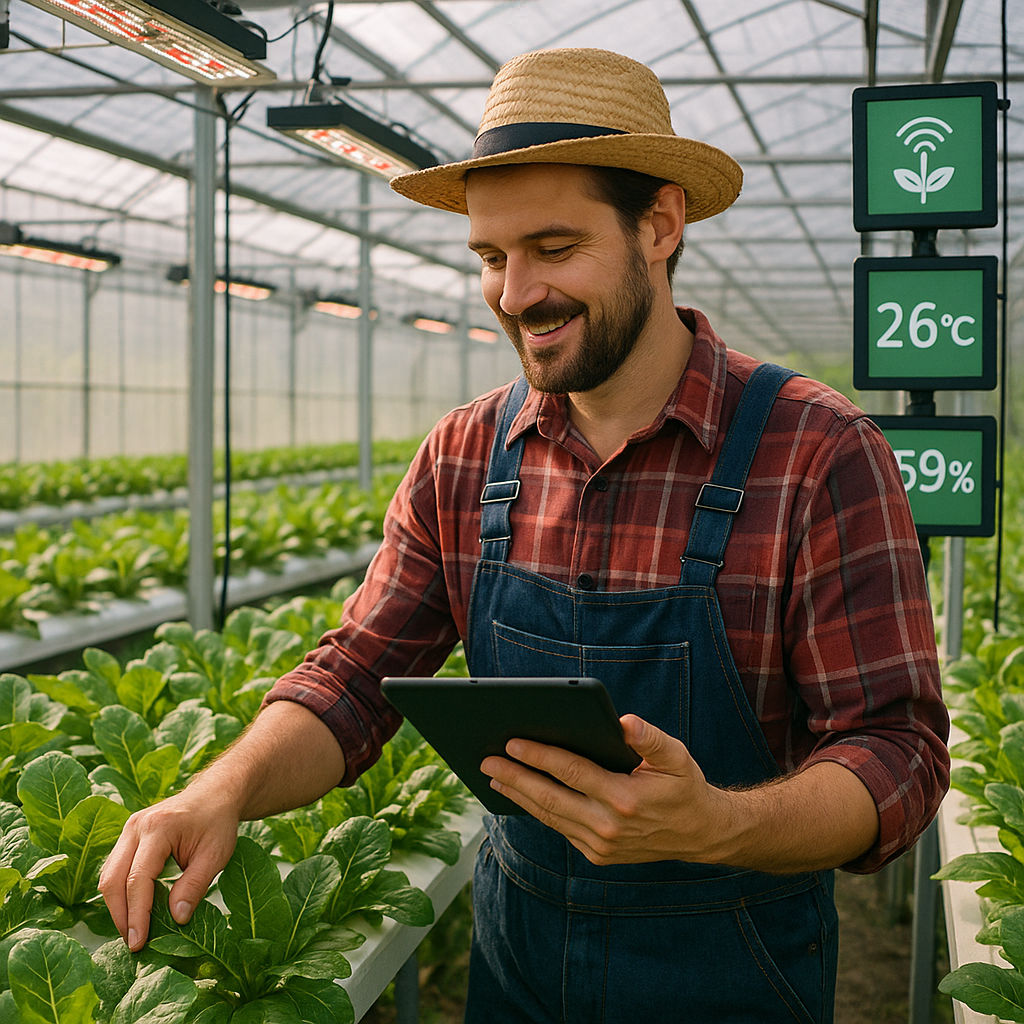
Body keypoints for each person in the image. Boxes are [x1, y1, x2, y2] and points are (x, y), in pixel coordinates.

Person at [100, 47, 950, 1023]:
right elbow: (356, 674)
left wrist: (717, 823)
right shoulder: (464, 456)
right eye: (491, 257)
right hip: (519, 966)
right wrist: (220, 789)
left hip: (730, 969)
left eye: (552, 247)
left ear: (659, 225)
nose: (513, 293)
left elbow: (898, 748)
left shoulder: (815, 453)